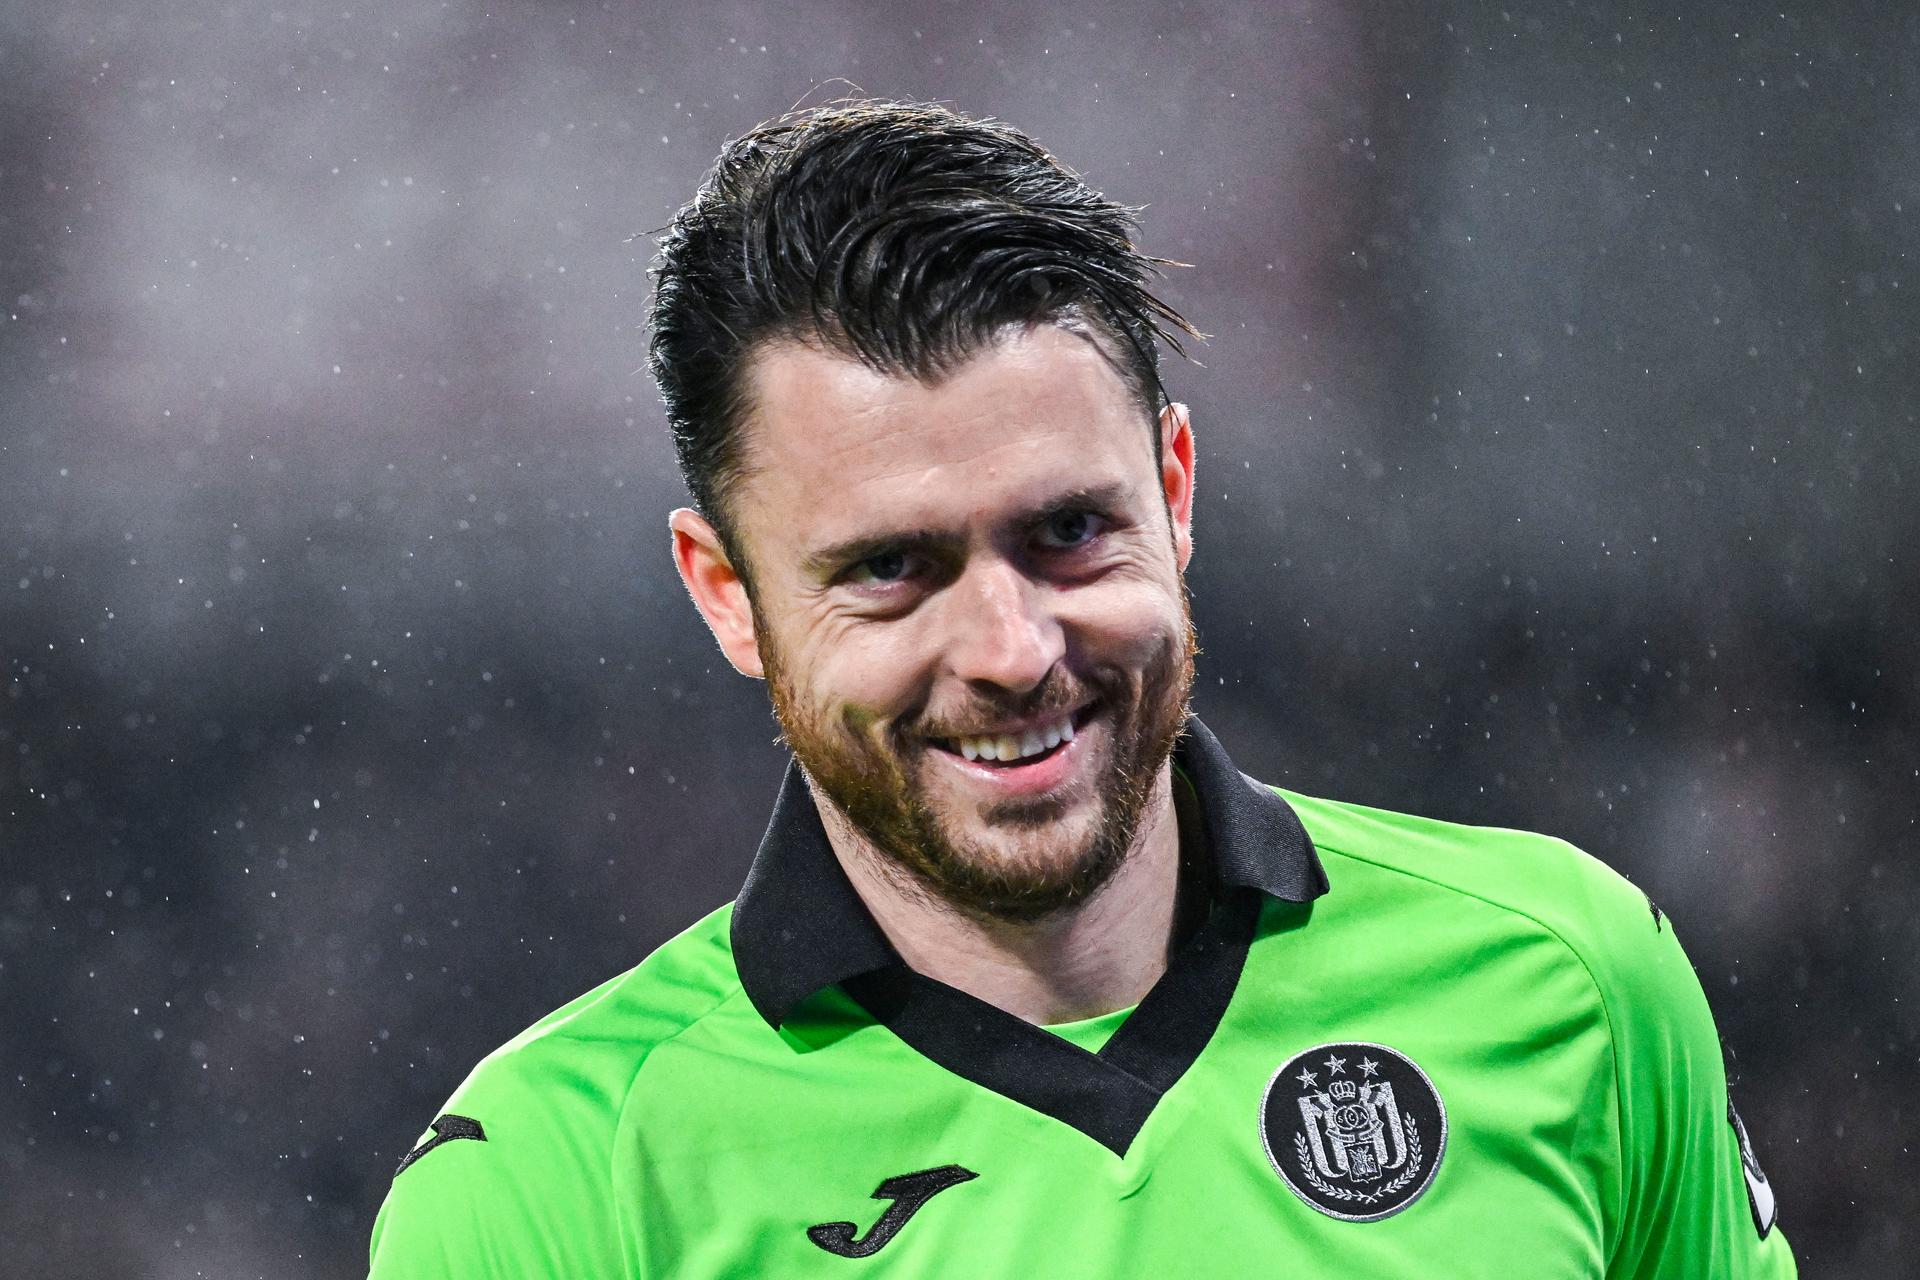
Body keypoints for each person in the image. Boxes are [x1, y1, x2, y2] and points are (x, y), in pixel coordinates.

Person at [366, 101, 1796, 1277]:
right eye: (890, 569)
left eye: (1067, 533)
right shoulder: (556, 1184)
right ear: (728, 593)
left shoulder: (1569, 980)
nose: (1011, 647)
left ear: (1175, 493)